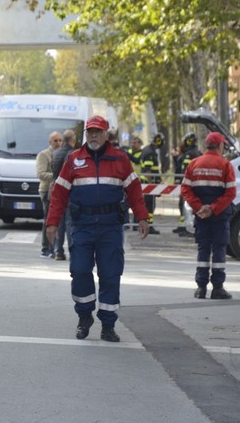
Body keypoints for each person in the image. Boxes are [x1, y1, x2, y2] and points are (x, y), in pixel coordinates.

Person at [46, 116, 149, 343]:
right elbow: (59, 194)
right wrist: (52, 223)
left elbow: (134, 191)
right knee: (80, 270)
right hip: (82, 225)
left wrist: (143, 217)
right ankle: (84, 317)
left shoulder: (120, 159)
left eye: (97, 132)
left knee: (110, 274)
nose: (93, 135)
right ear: (85, 134)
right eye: (90, 132)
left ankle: (108, 324)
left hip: (110, 226)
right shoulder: (74, 160)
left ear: (105, 134)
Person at [180, 132, 236, 300]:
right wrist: (213, 208)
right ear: (220, 146)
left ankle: (201, 288)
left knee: (203, 249)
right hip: (219, 214)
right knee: (219, 249)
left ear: (206, 146)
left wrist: (199, 207)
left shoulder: (194, 164)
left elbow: (185, 189)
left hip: (201, 215)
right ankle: (217, 288)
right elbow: (231, 192)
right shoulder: (225, 165)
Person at [51, 129, 78, 261]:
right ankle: (72, 250)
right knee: (69, 222)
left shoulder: (55, 153)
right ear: (73, 140)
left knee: (60, 223)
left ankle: (58, 251)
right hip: (69, 192)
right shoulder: (72, 154)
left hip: (57, 190)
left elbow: (54, 171)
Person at [36, 131, 63, 258]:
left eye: (60, 140)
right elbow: (41, 174)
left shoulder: (63, 154)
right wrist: (57, 176)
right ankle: (45, 248)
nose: (58, 143)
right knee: (48, 218)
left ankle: (55, 247)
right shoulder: (44, 154)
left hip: (59, 190)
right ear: (50, 142)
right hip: (47, 190)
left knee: (57, 220)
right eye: (55, 140)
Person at [172, 133, 202, 236]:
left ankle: (188, 229)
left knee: (187, 206)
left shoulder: (190, 154)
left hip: (188, 185)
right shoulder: (196, 152)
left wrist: (181, 182)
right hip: (193, 184)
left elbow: (186, 170)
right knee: (184, 205)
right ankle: (184, 226)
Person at [139, 133, 164, 234]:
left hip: (150, 183)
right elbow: (148, 170)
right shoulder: (150, 152)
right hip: (149, 183)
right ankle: (148, 225)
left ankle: (148, 225)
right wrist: (151, 185)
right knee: (149, 205)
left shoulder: (149, 150)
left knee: (150, 205)